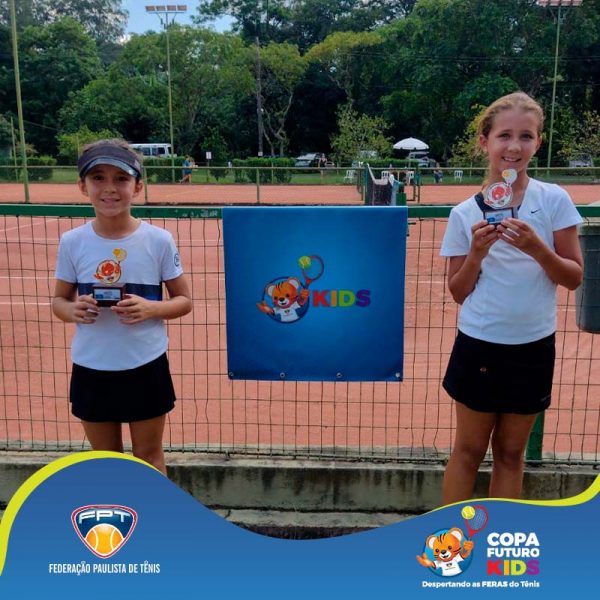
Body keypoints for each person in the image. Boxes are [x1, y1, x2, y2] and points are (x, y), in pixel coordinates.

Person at [439, 92, 583, 503]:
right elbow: (458, 292)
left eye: (526, 136)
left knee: (510, 454)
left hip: (533, 346)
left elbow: (574, 277)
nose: (514, 147)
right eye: (504, 136)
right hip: (480, 344)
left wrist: (538, 249)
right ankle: (450, 538)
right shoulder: (465, 213)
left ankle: (498, 534)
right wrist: (477, 253)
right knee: (468, 452)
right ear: (485, 142)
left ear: (538, 142)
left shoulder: (553, 200)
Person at [52, 139, 192, 475]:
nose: (110, 188)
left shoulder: (159, 240)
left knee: (149, 458)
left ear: (138, 187)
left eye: (121, 179)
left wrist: (151, 309)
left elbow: (184, 300)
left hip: (145, 364)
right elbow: (59, 301)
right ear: (82, 186)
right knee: (107, 463)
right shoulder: (72, 242)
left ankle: (154, 510)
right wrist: (72, 310)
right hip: (91, 366)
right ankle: (117, 512)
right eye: (98, 178)